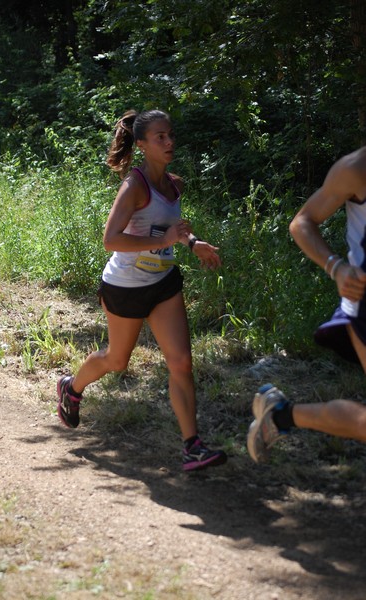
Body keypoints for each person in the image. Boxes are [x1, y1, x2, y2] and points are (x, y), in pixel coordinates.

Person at [56, 109, 227, 471]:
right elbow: (109, 240)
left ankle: (192, 446)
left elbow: (172, 229)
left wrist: (192, 241)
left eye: (171, 135)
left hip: (162, 283)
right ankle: (71, 388)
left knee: (181, 362)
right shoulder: (134, 186)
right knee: (117, 360)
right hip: (126, 286)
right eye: (160, 137)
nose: (169, 142)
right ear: (143, 144)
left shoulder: (173, 184)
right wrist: (163, 238)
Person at [247, 146, 366, 463]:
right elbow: (302, 221)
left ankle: (281, 415)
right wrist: (337, 268)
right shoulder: (356, 168)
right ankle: (283, 415)